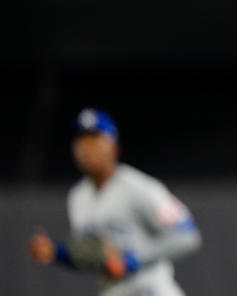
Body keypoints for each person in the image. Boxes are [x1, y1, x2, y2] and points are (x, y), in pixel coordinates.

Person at [29, 108, 202, 296]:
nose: (87, 148)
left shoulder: (138, 187)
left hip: (150, 289)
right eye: (82, 140)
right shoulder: (77, 197)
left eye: (95, 140)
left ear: (113, 147)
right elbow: (92, 256)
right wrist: (56, 253)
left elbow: (187, 235)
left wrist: (132, 260)